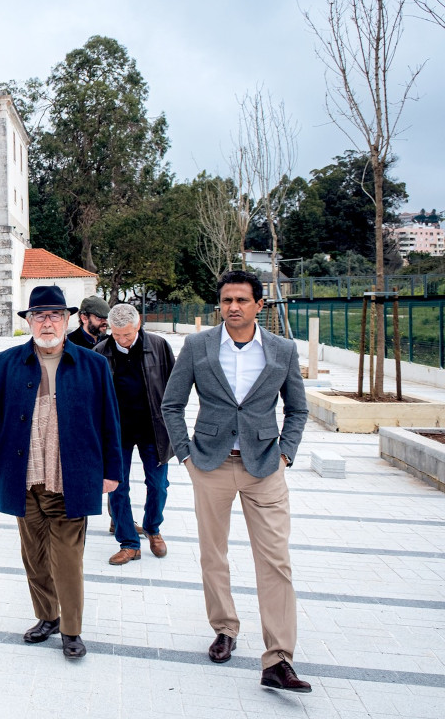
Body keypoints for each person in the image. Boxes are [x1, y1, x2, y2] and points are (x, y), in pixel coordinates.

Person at [160, 269, 311, 692]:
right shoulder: (198, 346)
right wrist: (187, 456)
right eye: (227, 300)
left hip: (265, 467)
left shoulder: (282, 349)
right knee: (214, 555)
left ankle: (278, 658)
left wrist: (286, 453)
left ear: (259, 305)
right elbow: (171, 404)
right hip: (211, 464)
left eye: (242, 300)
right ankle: (224, 628)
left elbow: (297, 409)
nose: (233, 307)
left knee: (276, 561)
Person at [0, 285, 123, 659]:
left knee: (66, 558)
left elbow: (110, 422)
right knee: (33, 556)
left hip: (71, 479)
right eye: (39, 316)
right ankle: (47, 616)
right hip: (23, 478)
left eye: (54, 316)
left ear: (68, 321)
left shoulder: (93, 365)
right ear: (29, 321)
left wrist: (112, 470)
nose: (47, 323)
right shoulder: (3, 364)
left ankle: (71, 629)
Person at [93, 303, 176, 565]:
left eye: (127, 335)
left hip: (154, 428)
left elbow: (174, 387)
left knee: (159, 485)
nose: (122, 340)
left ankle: (152, 527)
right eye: (116, 335)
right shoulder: (99, 352)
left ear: (138, 326)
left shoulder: (159, 346)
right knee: (118, 487)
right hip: (116, 432)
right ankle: (128, 542)